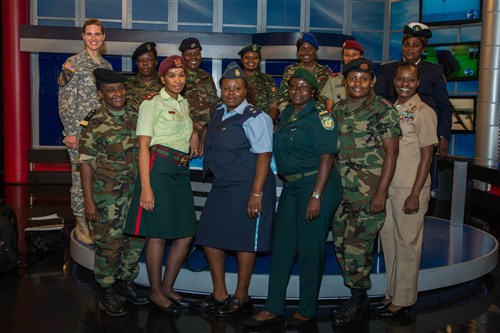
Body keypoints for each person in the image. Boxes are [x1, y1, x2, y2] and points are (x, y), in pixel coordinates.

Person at [243, 68, 342, 327]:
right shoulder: (287, 113)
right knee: (283, 245)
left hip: (317, 186)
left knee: (310, 249)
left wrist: (317, 196)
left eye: (303, 87)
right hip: (292, 186)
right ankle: (273, 306)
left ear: (313, 91)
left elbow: (327, 157)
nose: (297, 90)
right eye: (293, 86)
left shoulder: (321, 117)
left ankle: (307, 309)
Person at [193, 62, 276, 317]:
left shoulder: (256, 116)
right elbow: (210, 131)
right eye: (227, 88)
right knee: (208, 235)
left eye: (237, 88)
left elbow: (264, 155)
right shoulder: (218, 110)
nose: (231, 92)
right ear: (221, 90)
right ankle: (220, 293)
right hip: (223, 184)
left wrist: (256, 193)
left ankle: (242, 296)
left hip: (248, 185)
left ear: (245, 90)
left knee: (243, 241)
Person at [124, 55, 199, 315]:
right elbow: (143, 147)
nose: (178, 79)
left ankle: (168, 286)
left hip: (180, 171)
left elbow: (185, 129)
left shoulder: (184, 103)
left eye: (181, 74)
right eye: (172, 75)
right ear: (162, 78)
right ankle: (155, 290)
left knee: (186, 232)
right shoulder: (152, 104)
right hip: (160, 168)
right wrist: (146, 187)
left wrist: (196, 132)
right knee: (157, 233)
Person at [330, 58, 401, 326]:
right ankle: (355, 297)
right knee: (341, 245)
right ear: (345, 82)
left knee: (358, 248)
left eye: (363, 79)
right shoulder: (339, 109)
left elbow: (392, 153)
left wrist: (381, 193)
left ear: (372, 81)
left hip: (368, 193)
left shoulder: (382, 109)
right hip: (343, 193)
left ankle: (360, 302)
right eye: (352, 79)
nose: (357, 83)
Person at [78, 68, 149, 316]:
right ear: (101, 94)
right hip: (108, 195)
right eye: (111, 90)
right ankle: (106, 290)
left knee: (135, 239)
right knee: (109, 243)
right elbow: (85, 163)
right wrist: (89, 201)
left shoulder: (135, 115)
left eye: (120, 88)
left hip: (136, 191)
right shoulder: (94, 122)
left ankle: (126, 282)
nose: (117, 94)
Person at [376, 62, 437, 319]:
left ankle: (404, 299)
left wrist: (415, 193)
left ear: (418, 83)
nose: (404, 83)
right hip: (390, 187)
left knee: (408, 244)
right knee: (389, 243)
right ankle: (392, 293)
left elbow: (427, 156)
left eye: (410, 80)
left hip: (410, 188)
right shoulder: (393, 109)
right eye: (400, 79)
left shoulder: (424, 111)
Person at [58, 18, 112, 245]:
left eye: (97, 34)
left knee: (99, 177)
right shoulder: (73, 64)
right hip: (79, 132)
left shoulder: (106, 67)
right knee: (80, 177)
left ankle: (94, 220)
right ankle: (81, 223)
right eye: (89, 34)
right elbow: (65, 100)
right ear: (83, 36)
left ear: (103, 37)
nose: (93, 38)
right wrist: (70, 131)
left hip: (101, 133)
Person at [373, 22, 451, 159]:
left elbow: (444, 107)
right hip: (393, 130)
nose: (410, 49)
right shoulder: (387, 70)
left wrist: (443, 136)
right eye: (406, 44)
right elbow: (377, 100)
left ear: (423, 48)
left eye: (416, 45)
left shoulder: (434, 71)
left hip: (424, 133)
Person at [277, 32, 332, 112]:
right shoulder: (290, 71)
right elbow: (282, 97)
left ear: (315, 51)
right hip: (293, 114)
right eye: (303, 49)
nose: (306, 53)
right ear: (298, 52)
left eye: (310, 49)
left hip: (316, 115)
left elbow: (328, 99)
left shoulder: (325, 72)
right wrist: (288, 113)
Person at [179, 37, 219, 130]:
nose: (193, 57)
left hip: (207, 130)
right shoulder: (178, 77)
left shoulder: (207, 76)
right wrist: (188, 121)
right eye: (188, 54)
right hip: (184, 130)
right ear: (182, 56)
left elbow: (214, 103)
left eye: (197, 53)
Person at [238, 44, 279, 124]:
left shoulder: (268, 79)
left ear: (259, 60)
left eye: (255, 58)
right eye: (247, 57)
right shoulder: (235, 80)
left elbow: (274, 107)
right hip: (240, 125)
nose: (251, 60)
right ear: (242, 60)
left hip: (265, 124)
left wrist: (266, 124)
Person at [321, 40, 365, 111]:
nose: (350, 58)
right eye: (346, 55)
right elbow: (329, 109)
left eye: (354, 54)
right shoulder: (334, 79)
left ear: (361, 57)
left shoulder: (369, 79)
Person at [125, 42, 163, 116]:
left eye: (149, 60)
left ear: (155, 62)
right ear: (136, 63)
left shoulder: (165, 84)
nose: (145, 63)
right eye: (140, 60)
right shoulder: (126, 85)